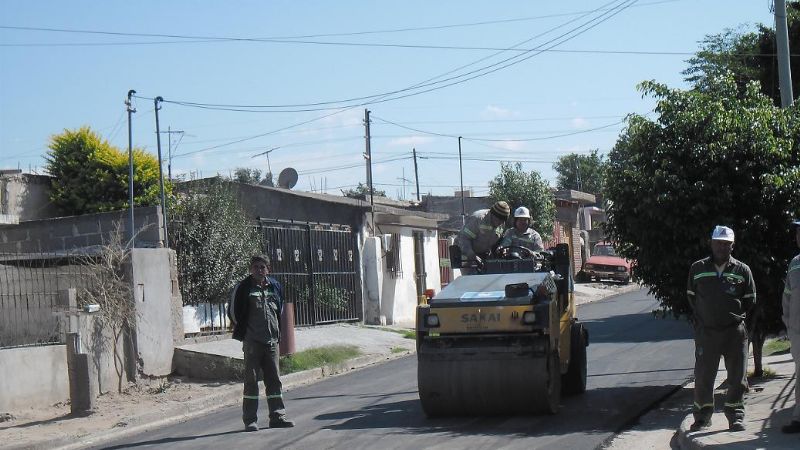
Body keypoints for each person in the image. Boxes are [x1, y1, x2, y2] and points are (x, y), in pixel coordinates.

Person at [686, 225, 756, 432]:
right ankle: (702, 418)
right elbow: (691, 296)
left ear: (732, 246)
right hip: (707, 333)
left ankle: (735, 417)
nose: (721, 247)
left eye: (726, 244)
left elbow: (750, 299)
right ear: (711, 243)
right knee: (704, 377)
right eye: (718, 243)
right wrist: (705, 318)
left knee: (737, 378)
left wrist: (732, 316)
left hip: (734, 333)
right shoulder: (697, 268)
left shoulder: (742, 270)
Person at [228, 255, 295, 432]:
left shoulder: (275, 286)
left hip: (272, 342)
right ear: (251, 269)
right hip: (252, 343)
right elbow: (233, 313)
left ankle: (278, 417)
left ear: (268, 269)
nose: (259, 270)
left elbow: (279, 308)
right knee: (251, 381)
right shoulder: (244, 288)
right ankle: (250, 420)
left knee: (274, 381)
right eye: (256, 267)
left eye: (262, 267)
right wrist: (246, 333)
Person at [781, 220, 800, 434]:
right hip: (797, 331)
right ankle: (798, 417)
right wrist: (788, 322)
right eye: (798, 233)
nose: (799, 236)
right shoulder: (795, 262)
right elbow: (787, 295)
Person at [455, 201, 510, 271]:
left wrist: (501, 248)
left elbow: (496, 241)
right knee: (472, 280)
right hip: (467, 258)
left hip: (484, 257)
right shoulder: (478, 219)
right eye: (499, 220)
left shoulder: (501, 224)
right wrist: (472, 256)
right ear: (493, 215)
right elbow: (463, 238)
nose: (501, 223)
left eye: (503, 220)